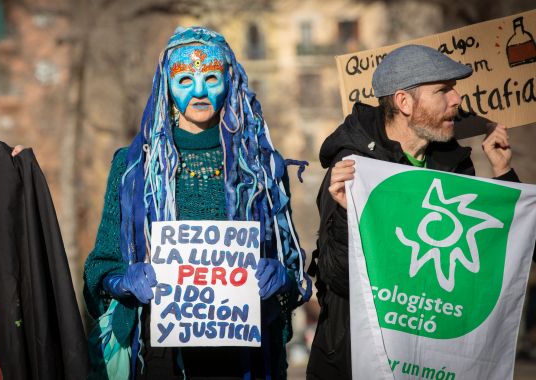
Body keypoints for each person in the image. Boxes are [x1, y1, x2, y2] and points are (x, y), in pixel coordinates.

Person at [83, 26, 311, 379]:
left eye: (211, 77)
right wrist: (125, 281)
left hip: (244, 360)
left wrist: (281, 278)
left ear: (229, 81)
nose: (200, 91)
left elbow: (295, 276)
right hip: (160, 356)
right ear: (167, 88)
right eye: (185, 79)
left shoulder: (262, 167)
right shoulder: (132, 167)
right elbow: (100, 267)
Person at [306, 44, 520, 380]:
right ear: (405, 103)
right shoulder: (352, 167)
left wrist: (504, 175)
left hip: (430, 361)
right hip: (356, 361)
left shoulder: (453, 165)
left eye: (455, 89)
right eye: (443, 90)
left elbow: (487, 262)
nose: (457, 100)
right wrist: (350, 218)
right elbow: (336, 278)